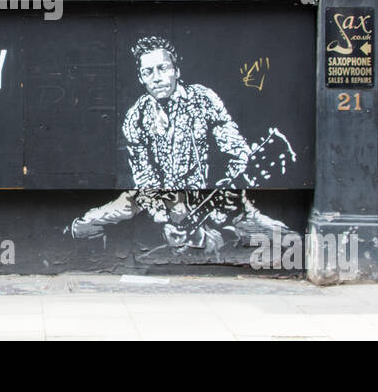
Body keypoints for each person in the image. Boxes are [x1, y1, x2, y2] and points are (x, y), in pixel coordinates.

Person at [67, 36, 261, 252]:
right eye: (148, 72)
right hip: (156, 195)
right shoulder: (136, 116)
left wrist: (224, 192)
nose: (156, 78)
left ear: (177, 71)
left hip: (204, 192)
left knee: (262, 232)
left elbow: (238, 152)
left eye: (163, 68)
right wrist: (163, 213)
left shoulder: (204, 100)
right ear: (141, 78)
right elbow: (144, 175)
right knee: (90, 222)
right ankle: (75, 241)